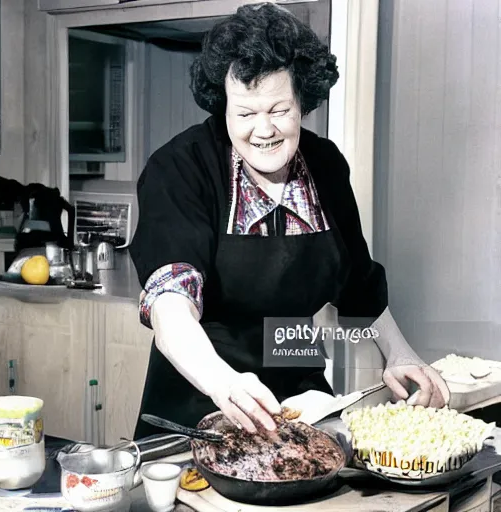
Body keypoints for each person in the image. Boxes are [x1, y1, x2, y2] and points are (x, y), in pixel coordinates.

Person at [129, 2, 449, 439]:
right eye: (244, 113)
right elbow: (170, 305)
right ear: (223, 106)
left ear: (303, 102)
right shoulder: (181, 167)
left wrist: (401, 355)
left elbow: (359, 284)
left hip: (301, 391)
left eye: (279, 110)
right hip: (199, 396)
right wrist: (225, 384)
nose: (263, 130)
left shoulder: (325, 165)